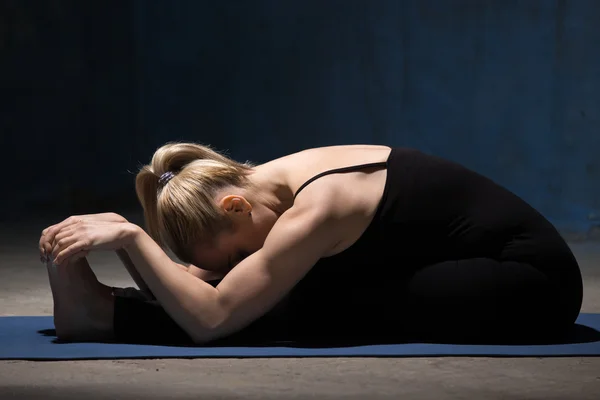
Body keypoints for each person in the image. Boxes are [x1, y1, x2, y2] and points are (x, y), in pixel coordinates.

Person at [39, 143, 583, 345]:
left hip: (530, 286)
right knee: (265, 286)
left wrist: (131, 236)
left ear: (234, 207)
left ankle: (99, 315)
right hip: (449, 259)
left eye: (235, 255)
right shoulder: (269, 181)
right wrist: (143, 257)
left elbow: (213, 321)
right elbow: (210, 291)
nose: (237, 267)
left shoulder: (319, 207)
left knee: (294, 305)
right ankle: (101, 311)